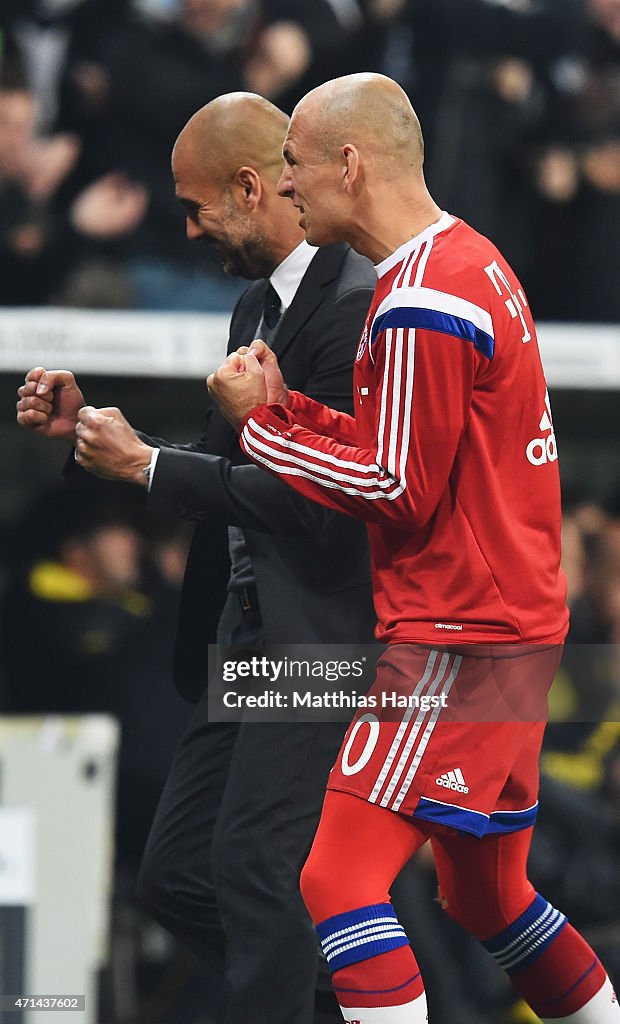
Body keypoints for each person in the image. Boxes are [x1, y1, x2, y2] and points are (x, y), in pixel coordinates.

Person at [206, 73, 619, 1023]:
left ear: (350, 165)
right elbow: (402, 443)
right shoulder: (466, 262)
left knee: (338, 880)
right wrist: (290, 407)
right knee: (487, 897)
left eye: (297, 164)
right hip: (517, 626)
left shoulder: (419, 302)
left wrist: (260, 433)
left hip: (456, 639)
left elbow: (396, 486)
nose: (289, 186)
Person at [16, 92, 377, 1024]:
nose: (185, 230)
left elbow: (320, 504)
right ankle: (375, 1008)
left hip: (322, 640)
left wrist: (149, 467)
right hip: (245, 640)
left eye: (194, 207)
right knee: (176, 876)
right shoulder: (257, 305)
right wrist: (99, 434)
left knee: (257, 872)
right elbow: (220, 472)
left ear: (250, 187)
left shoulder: (357, 311)